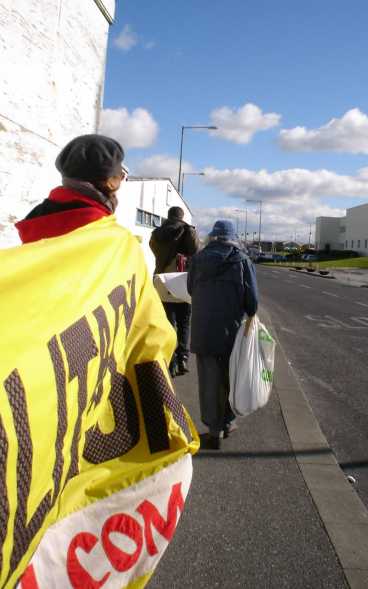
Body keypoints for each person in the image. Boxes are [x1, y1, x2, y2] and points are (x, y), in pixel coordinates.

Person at [5, 134, 197, 587]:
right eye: (122, 175)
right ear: (110, 182)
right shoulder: (115, 245)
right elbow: (149, 336)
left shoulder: (32, 228)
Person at [187, 220, 258, 450]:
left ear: (212, 236)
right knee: (230, 378)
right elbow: (253, 303)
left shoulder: (197, 259)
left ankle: (213, 430)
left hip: (203, 330)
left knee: (209, 381)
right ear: (232, 237)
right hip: (231, 332)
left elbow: (190, 289)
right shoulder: (242, 260)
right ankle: (228, 422)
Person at [150, 206, 199, 376]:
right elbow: (195, 250)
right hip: (182, 283)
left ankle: (171, 361)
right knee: (184, 323)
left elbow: (154, 250)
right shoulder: (187, 231)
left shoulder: (157, 233)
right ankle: (183, 359)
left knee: (168, 324)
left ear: (168, 216)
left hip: (163, 282)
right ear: (182, 216)